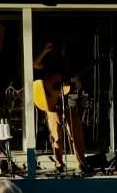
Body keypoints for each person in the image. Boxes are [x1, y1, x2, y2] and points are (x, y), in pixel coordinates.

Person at [33, 40, 85, 173]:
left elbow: (77, 84)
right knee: (56, 136)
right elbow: (34, 65)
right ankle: (59, 164)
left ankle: (82, 163)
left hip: (68, 103)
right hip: (52, 102)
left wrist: (76, 83)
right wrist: (44, 51)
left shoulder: (70, 64)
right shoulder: (48, 61)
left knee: (76, 134)